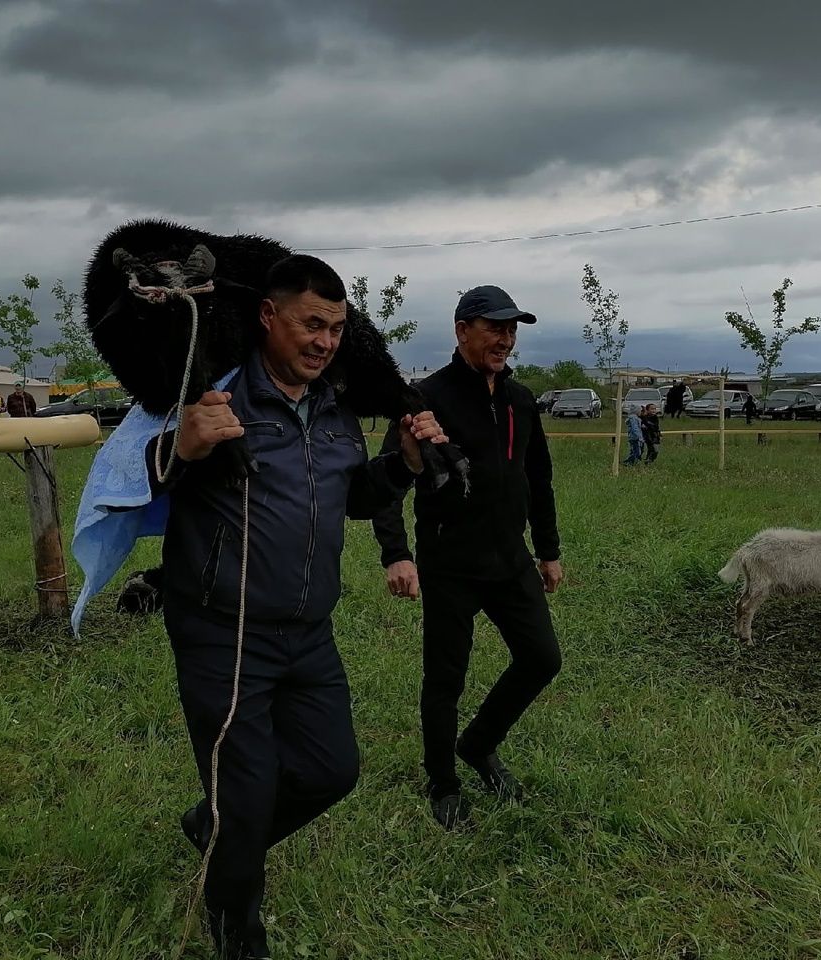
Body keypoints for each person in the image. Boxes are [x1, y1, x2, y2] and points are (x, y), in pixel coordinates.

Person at [153, 255, 445, 959]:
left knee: (331, 770)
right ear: (268, 316)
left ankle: (215, 829)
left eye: (337, 329)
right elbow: (140, 476)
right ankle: (235, 927)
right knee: (248, 793)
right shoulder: (215, 399)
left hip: (309, 632)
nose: (324, 341)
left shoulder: (338, 410)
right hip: (224, 632)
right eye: (311, 324)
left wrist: (401, 464)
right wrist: (182, 446)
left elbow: (354, 500)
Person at [372, 284, 563, 831]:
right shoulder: (426, 398)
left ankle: (478, 745)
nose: (505, 339)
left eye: (512, 330)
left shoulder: (521, 400)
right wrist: (396, 555)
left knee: (542, 659)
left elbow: (538, 478)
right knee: (445, 679)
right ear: (462, 331)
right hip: (449, 563)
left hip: (510, 561)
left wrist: (548, 551)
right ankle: (442, 780)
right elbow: (388, 483)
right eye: (494, 328)